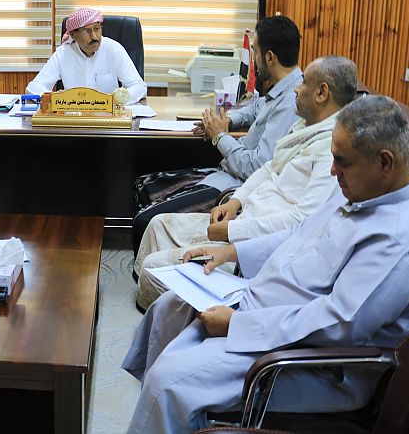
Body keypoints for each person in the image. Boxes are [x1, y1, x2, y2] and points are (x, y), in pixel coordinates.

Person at [121, 95, 409, 433]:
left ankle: (166, 409)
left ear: (384, 163)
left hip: (311, 363)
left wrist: (238, 325)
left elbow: (339, 323)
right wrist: (232, 253)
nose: (332, 171)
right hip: (271, 311)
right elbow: (300, 233)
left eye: (341, 162)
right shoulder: (363, 190)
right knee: (169, 309)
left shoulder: (400, 238)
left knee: (169, 383)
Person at [134, 56, 358, 309]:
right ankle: (163, 310)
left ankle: (189, 316)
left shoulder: (332, 148)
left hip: (256, 247)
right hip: (244, 218)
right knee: (157, 225)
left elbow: (303, 222)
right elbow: (269, 167)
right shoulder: (306, 127)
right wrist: (236, 201)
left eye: (303, 82)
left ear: (321, 92)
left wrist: (232, 231)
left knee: (152, 268)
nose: (296, 88)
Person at [132, 15, 304, 257]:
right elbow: (255, 109)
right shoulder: (281, 87)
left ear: (269, 57)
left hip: (237, 185)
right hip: (227, 171)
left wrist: (219, 135)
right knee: (144, 185)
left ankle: (160, 267)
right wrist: (227, 121)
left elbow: (255, 168)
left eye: (255, 52)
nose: (253, 60)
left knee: (144, 221)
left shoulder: (290, 102)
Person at [25, 7, 147, 104]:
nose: (94, 36)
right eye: (86, 31)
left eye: (97, 29)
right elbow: (33, 88)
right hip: (74, 119)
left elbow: (139, 86)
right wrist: (55, 98)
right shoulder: (63, 53)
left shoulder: (113, 49)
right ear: (73, 35)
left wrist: (117, 100)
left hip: (109, 118)